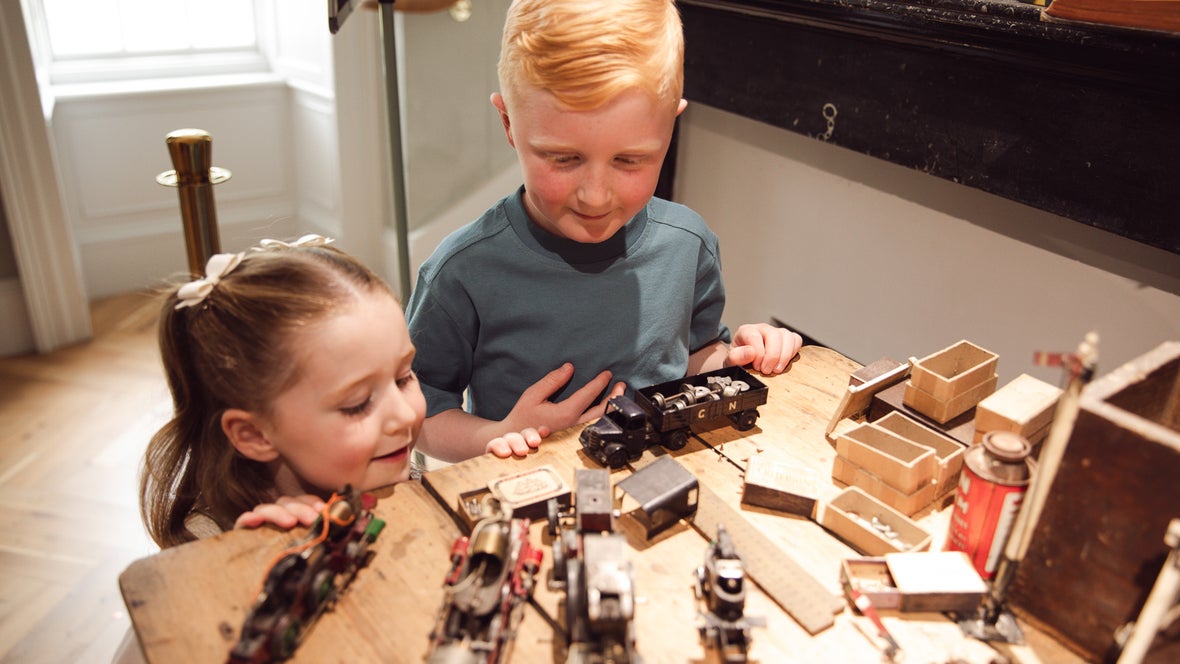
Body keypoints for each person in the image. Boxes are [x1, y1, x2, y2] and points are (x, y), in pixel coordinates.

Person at [404, 0, 803, 463]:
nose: (595, 196)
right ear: (509, 123)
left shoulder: (688, 244)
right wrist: (498, 434)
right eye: (563, 158)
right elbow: (419, 415)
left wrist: (736, 359)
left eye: (629, 160)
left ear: (670, 127)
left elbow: (694, 354)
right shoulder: (462, 272)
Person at [138, 235, 426, 550]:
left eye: (403, 378)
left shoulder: (392, 470)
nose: (404, 415)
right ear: (255, 434)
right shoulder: (210, 546)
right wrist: (257, 562)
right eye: (356, 405)